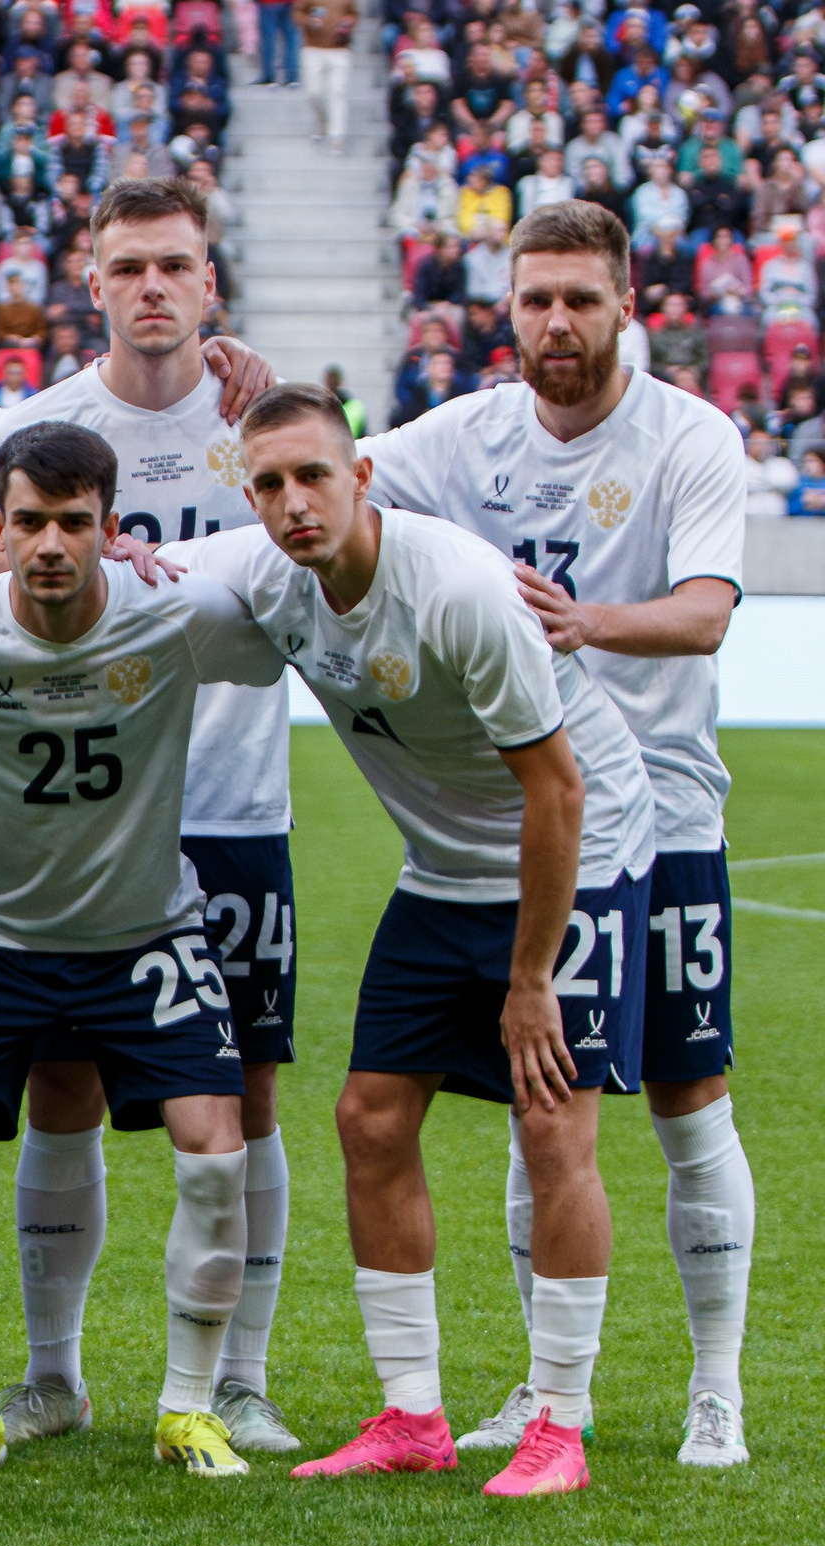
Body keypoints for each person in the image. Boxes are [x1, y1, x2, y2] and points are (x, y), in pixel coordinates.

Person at [171, 383, 656, 1499]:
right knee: (368, 1117)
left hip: (572, 860)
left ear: (362, 479)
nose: (294, 503)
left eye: (313, 478)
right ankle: (413, 1415)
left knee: (550, 1128)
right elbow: (107, 563)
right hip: (441, 873)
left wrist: (531, 978)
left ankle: (559, 1427)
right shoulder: (266, 571)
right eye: (270, 485)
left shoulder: (457, 592)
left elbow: (558, 792)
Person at [358, 201, 757, 1469]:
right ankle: (543, 1398)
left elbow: (701, 618)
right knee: (547, 1109)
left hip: (670, 811)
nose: (556, 323)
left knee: (689, 1106)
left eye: (581, 298)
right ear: (506, 309)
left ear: (627, 304)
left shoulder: (693, 435)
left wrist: (583, 623)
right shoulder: (461, 436)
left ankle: (717, 1386)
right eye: (535, 300)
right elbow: (343, 469)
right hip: (537, 821)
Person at [0, 422, 285, 1481]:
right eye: (29, 523)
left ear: (112, 528)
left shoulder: (173, 615)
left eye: (75, 523)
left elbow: (285, 577)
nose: (51, 544)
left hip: (145, 935)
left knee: (214, 1145)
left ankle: (189, 1409)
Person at [0, 176, 304, 1455]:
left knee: (247, 1095)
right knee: (62, 1081)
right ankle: (53, 1376)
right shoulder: (38, 427)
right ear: (91, 281)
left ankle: (240, 1379)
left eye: (175, 266)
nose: (152, 288)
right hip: (77, 817)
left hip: (229, 801)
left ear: (208, 283)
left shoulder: (258, 423)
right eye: (128, 268)